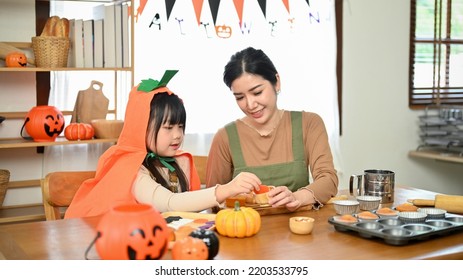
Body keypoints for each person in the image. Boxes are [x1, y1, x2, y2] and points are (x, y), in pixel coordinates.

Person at [65, 70, 259, 218]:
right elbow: (169, 203)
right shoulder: (130, 170)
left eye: (180, 126)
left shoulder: (175, 162)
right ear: (141, 127)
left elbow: (187, 205)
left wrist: (232, 198)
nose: (177, 135)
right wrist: (225, 189)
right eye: (168, 127)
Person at [206, 47, 339, 212]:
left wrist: (297, 198)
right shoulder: (225, 137)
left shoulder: (309, 123)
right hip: (245, 231)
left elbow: (328, 179)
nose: (250, 104)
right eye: (240, 97)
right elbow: (212, 199)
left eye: (257, 92)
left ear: (277, 82)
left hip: (298, 229)